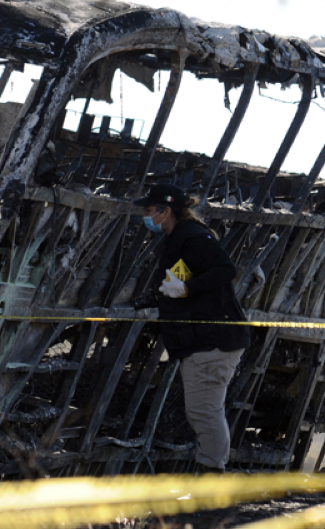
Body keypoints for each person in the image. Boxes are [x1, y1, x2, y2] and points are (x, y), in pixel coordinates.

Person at [133, 184, 250, 474]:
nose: (145, 216)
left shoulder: (192, 237)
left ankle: (211, 481)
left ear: (166, 211)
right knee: (203, 410)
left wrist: (186, 288)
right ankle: (211, 476)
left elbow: (226, 270)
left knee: (204, 411)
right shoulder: (180, 238)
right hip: (205, 341)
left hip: (212, 342)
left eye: (149, 211)